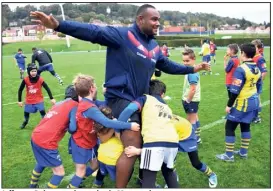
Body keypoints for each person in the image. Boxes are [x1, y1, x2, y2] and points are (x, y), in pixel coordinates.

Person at [30, 4, 210, 187]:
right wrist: (58, 25)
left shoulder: (154, 47)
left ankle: (142, 179)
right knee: (132, 145)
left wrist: (191, 68)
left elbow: (168, 65)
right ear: (140, 19)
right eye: (154, 19)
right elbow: (93, 32)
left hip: (142, 101)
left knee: (147, 140)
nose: (158, 23)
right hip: (120, 99)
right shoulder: (123, 36)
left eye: (159, 20)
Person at [67, 74, 140, 188]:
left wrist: (106, 94)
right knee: (80, 171)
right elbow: (107, 122)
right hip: (81, 144)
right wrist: (129, 125)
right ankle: (72, 186)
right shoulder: (89, 108)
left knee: (95, 165)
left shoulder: (87, 102)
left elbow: (103, 104)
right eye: (95, 85)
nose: (96, 87)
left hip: (85, 142)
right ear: (92, 88)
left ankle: (79, 181)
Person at [119, 80, 179, 188]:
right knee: (169, 173)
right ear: (163, 94)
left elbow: (128, 109)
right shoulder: (167, 106)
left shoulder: (144, 98)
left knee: (148, 179)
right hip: (173, 143)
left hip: (154, 142)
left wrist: (118, 127)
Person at [216, 43, 262, 162]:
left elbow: (235, 90)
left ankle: (229, 155)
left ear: (243, 54)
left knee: (229, 126)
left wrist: (229, 105)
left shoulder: (241, 69)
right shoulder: (257, 68)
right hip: (254, 100)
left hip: (243, 102)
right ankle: (243, 152)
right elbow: (258, 85)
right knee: (245, 125)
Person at [29, 85, 79, 188]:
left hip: (36, 135)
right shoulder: (74, 105)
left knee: (41, 161)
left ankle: (32, 186)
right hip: (46, 141)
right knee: (59, 173)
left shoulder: (59, 103)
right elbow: (73, 129)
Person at [163, 116, 217, 188]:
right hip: (175, 134)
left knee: (196, 163)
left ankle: (211, 174)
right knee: (169, 160)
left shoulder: (163, 126)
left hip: (187, 135)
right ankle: (174, 177)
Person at [92, 106, 124, 188]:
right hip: (112, 159)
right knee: (119, 178)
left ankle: (97, 183)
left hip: (101, 156)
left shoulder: (98, 124)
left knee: (102, 170)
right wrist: (115, 125)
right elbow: (115, 138)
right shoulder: (108, 125)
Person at [17, 63, 56, 129]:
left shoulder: (40, 79)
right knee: (26, 112)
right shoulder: (26, 80)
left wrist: (51, 98)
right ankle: (25, 121)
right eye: (32, 71)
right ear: (29, 71)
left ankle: (46, 123)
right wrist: (19, 101)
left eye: (35, 71)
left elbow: (47, 88)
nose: (34, 73)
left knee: (42, 112)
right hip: (29, 100)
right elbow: (20, 90)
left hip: (39, 100)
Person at [181, 48, 202, 144]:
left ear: (193, 59)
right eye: (184, 61)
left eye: (187, 61)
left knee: (191, 120)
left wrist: (188, 100)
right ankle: (197, 137)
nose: (185, 63)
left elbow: (192, 89)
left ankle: (192, 139)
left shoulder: (192, 73)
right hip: (194, 99)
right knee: (195, 117)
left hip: (191, 100)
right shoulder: (190, 70)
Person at [251, 39, 267, 124]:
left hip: (257, 82)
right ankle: (255, 115)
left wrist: (259, 81)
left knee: (256, 98)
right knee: (254, 98)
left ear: (258, 48)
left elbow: (264, 72)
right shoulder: (253, 57)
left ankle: (257, 117)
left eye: (254, 47)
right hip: (252, 82)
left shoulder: (260, 58)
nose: (253, 49)